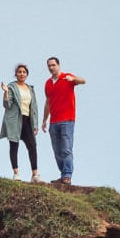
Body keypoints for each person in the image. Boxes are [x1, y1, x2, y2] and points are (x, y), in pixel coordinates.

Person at [40, 56, 85, 184]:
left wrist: (74, 79)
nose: (51, 67)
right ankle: (63, 174)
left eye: (53, 65)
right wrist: (44, 120)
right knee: (57, 150)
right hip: (54, 121)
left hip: (67, 120)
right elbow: (48, 102)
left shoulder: (67, 77)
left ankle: (67, 175)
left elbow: (83, 81)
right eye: (49, 65)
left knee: (66, 149)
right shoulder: (48, 83)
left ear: (58, 65)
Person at [0, 63, 41, 182]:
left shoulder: (30, 89)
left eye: (24, 72)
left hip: (27, 120)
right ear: (16, 74)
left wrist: (35, 124)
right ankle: (16, 173)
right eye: (19, 72)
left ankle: (35, 175)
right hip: (15, 120)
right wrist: (6, 92)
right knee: (14, 145)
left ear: (27, 74)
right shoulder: (12, 87)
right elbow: (7, 105)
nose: (22, 74)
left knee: (32, 145)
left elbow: (34, 108)